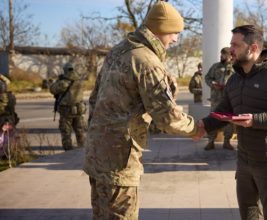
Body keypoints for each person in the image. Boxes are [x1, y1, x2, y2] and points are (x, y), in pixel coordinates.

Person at [84, 1, 201, 219]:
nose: (175, 38)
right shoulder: (146, 61)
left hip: (97, 152)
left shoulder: (119, 50)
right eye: (174, 32)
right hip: (119, 160)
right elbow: (167, 117)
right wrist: (197, 128)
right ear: (161, 29)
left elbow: (94, 98)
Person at [195, 25, 267, 220]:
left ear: (253, 48)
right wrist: (203, 125)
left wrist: (255, 120)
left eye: (236, 45)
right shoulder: (235, 80)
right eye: (230, 45)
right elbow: (223, 110)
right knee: (249, 213)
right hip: (244, 160)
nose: (230, 50)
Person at [49, 62, 86, 151]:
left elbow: (52, 90)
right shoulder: (80, 81)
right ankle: (82, 150)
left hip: (67, 110)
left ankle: (68, 152)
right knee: (80, 131)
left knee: (66, 132)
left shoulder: (64, 83)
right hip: (79, 109)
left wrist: (57, 81)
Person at [204, 47, 235, 151]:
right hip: (216, 99)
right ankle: (210, 141)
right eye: (221, 54)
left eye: (224, 55)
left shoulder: (235, 68)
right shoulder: (215, 66)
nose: (222, 56)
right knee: (213, 118)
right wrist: (213, 84)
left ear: (230, 56)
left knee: (228, 120)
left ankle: (227, 141)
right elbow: (207, 77)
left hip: (228, 99)